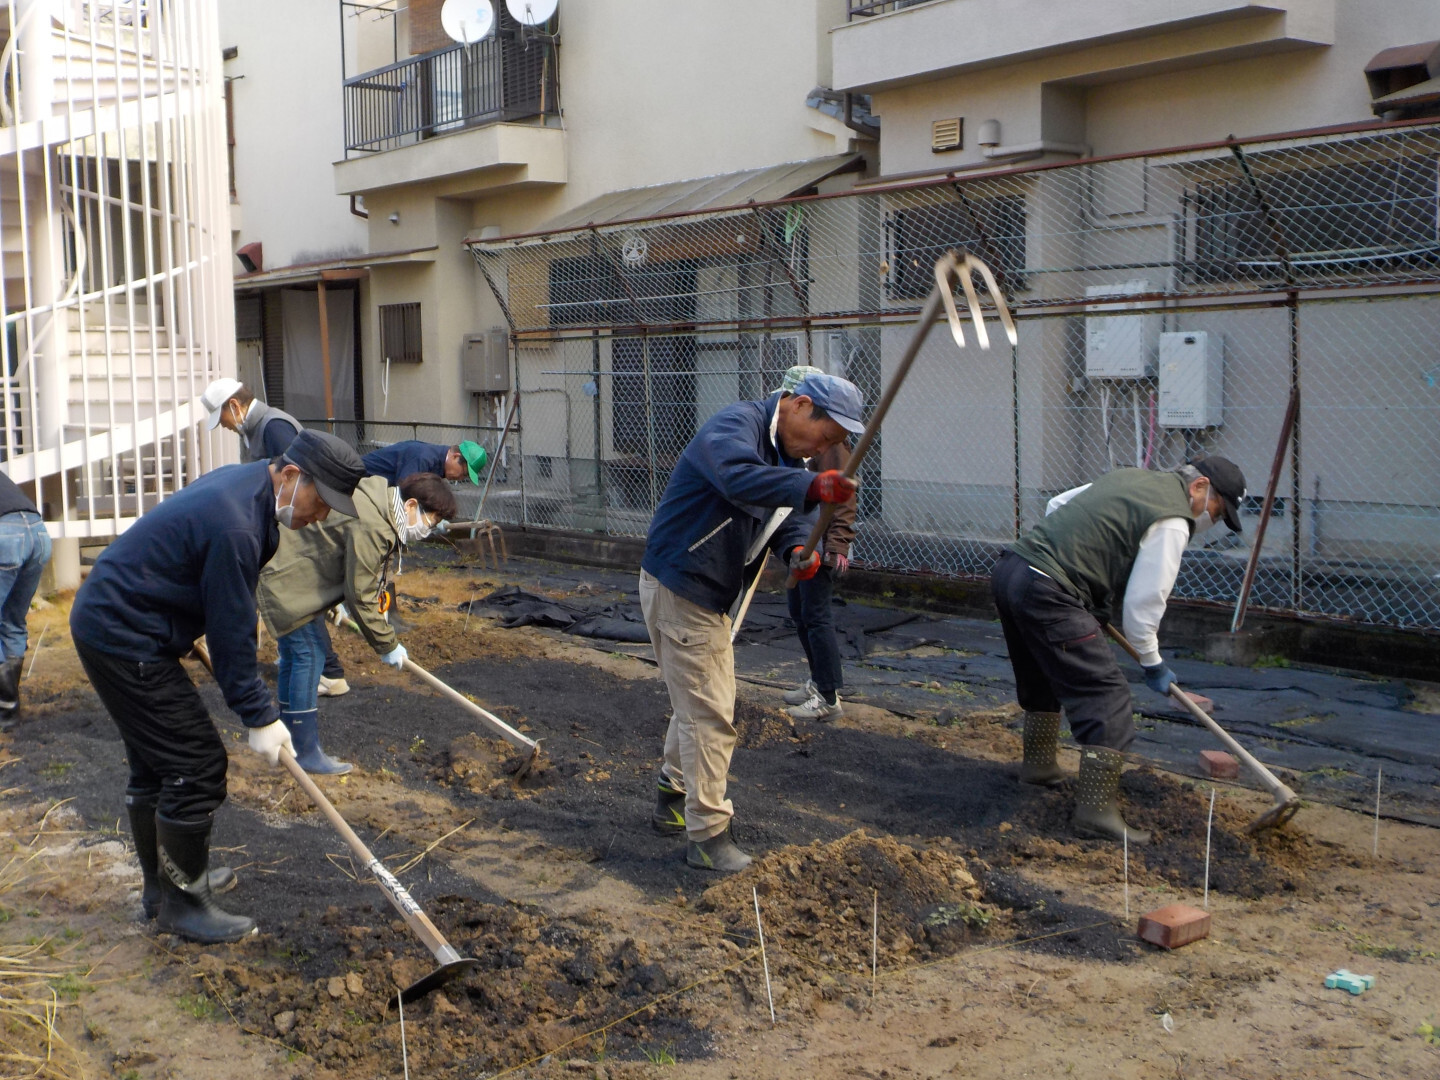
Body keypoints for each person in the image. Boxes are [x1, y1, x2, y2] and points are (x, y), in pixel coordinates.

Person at [69, 431, 365, 944]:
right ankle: (182, 904)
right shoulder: (237, 523)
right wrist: (260, 714)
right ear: (292, 476)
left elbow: (221, 597)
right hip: (122, 631)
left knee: (158, 761)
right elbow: (232, 632)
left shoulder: (252, 490)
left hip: (124, 618)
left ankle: (166, 887)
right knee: (195, 764)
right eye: (322, 503)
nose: (321, 517)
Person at [643, 372, 864, 872]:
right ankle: (708, 836)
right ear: (800, 405)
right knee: (711, 713)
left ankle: (672, 799)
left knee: (696, 702)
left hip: (711, 586)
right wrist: (811, 485)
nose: (824, 450)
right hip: (684, 582)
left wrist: (796, 551)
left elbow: (792, 516)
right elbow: (737, 477)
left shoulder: (790, 457)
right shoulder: (735, 426)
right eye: (825, 437)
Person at [991, 455, 1248, 843]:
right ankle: (1095, 813)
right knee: (1106, 693)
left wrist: (1074, 569)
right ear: (1199, 487)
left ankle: (1040, 766)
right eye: (1217, 509)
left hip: (1012, 571)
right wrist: (1153, 661)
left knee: (1044, 670)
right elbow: (1145, 602)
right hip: (1048, 589)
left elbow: (1057, 506)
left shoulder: (1130, 479)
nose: (1212, 520)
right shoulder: (1174, 519)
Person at [257, 472, 458, 774]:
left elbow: (336, 550)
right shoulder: (374, 524)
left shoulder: (378, 504)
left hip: (293, 572)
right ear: (412, 505)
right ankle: (304, 750)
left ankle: (289, 740)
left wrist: (334, 602)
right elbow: (361, 593)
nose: (429, 528)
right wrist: (387, 644)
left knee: (300, 654)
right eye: (431, 518)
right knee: (308, 654)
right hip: (285, 575)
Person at [197, 378, 350, 696]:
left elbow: (295, 490)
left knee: (293, 596)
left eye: (222, 418)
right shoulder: (259, 427)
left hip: (296, 528)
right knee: (286, 597)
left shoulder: (273, 426)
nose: (224, 427)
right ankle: (303, 661)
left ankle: (328, 671)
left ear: (234, 406)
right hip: (283, 525)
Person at [769, 367, 858, 722]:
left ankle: (829, 696)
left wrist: (837, 545)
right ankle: (816, 682)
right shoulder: (793, 443)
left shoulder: (831, 444)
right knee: (800, 615)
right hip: (799, 542)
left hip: (820, 545)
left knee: (817, 618)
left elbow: (845, 498)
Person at [0, 470, 51, 728]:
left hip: (4, 536)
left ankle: (5, 709)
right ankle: (8, 711)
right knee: (12, 621)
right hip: (39, 535)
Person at [361, 439, 488, 486]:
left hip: (374, 490)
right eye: (464, 473)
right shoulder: (424, 457)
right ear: (456, 456)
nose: (461, 478)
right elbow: (405, 491)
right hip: (358, 483)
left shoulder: (437, 466)